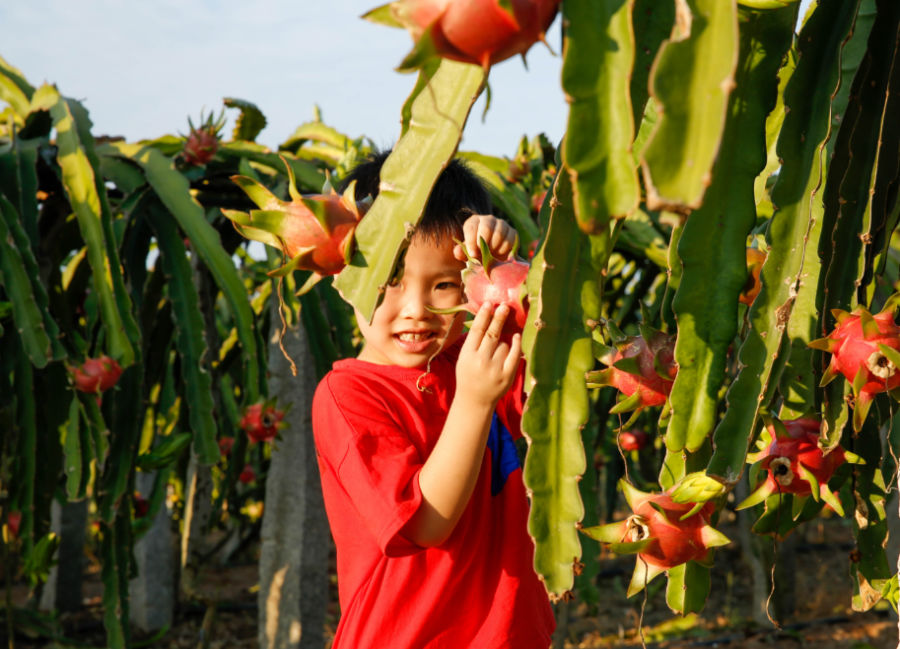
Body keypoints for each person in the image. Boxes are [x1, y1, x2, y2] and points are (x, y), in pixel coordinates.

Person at [311, 151, 555, 648]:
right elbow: (424, 523)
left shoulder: (473, 353)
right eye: (388, 282)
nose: (416, 310)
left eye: (446, 284)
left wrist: (499, 263)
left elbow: (553, 335)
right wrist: (472, 400)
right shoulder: (348, 396)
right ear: (343, 275)